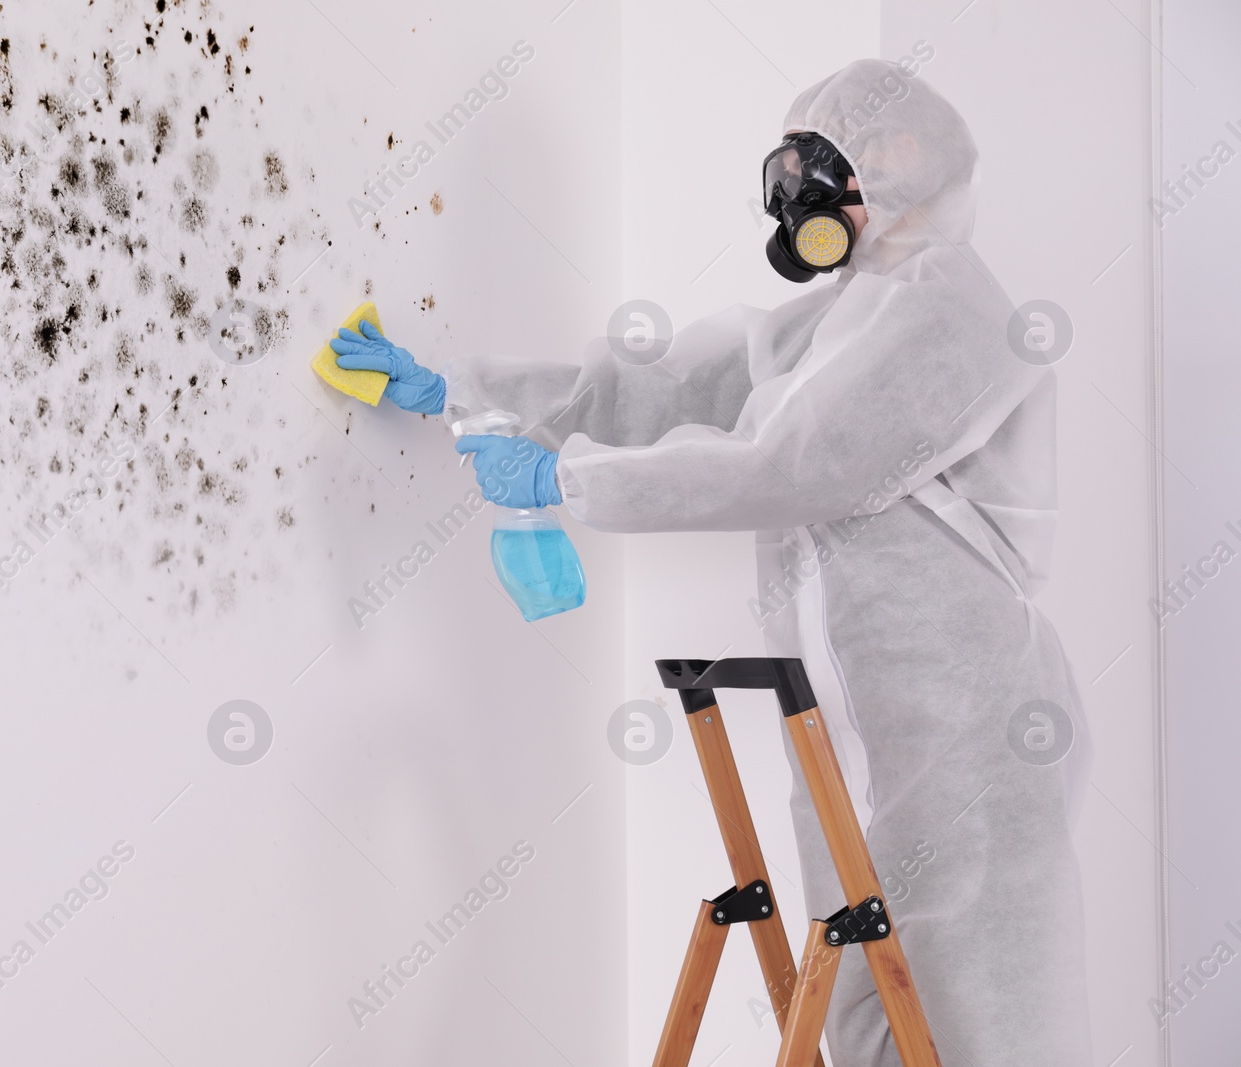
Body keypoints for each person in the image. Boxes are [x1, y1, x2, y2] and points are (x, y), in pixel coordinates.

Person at [331, 58, 1093, 1066]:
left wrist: (568, 483)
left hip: (964, 734)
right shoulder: (843, 313)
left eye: (824, 168)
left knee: (976, 1024)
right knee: (872, 998)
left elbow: (797, 462)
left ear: (901, 155)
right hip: (861, 728)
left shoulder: (948, 304)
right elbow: (671, 385)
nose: (802, 201)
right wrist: (459, 390)